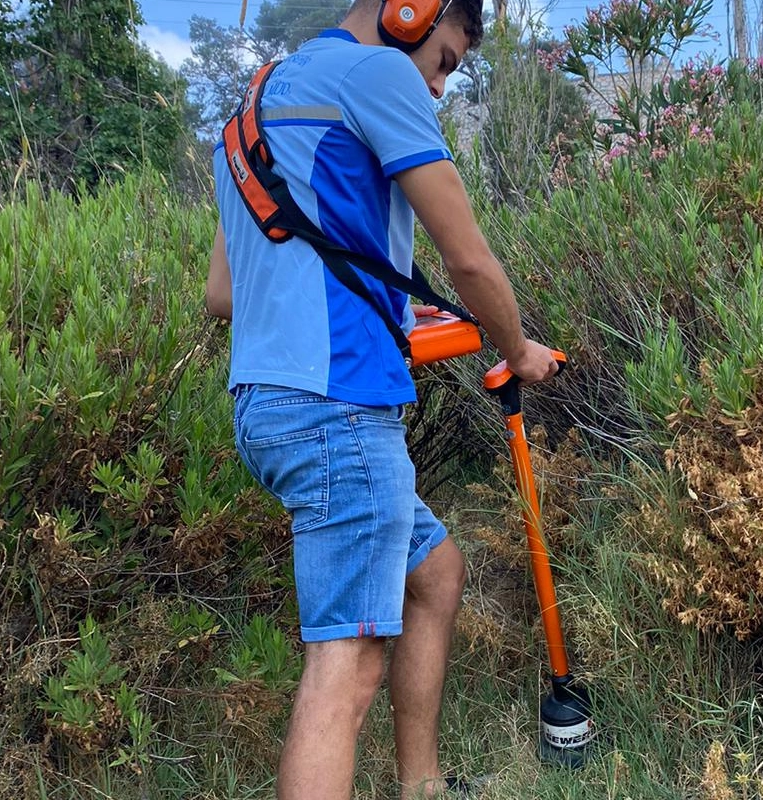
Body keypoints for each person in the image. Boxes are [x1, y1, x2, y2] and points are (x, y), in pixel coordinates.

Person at [204, 0, 561, 796]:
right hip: (338, 411)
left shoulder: (253, 103)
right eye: (444, 61)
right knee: (350, 660)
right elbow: (467, 259)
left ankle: (423, 785)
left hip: (268, 407)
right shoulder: (378, 76)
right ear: (411, 14)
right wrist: (518, 350)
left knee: (435, 573)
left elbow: (224, 294)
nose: (436, 87)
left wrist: (378, 302)